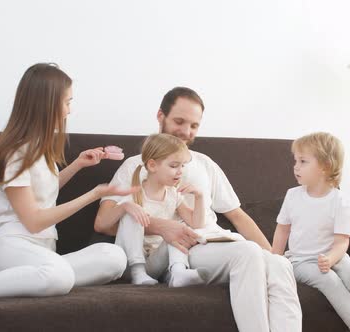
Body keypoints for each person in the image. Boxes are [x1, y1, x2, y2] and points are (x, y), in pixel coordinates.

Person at [0, 63, 135, 332]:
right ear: (47, 104)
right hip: (11, 247)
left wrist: (78, 165)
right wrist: (94, 194)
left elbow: (42, 193)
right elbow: (33, 220)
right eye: (67, 102)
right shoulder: (16, 153)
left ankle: (25, 280)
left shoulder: (40, 149)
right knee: (59, 275)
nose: (70, 109)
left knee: (114, 257)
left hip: (43, 252)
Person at [95, 87, 302, 332]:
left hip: (213, 238)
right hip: (183, 249)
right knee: (247, 254)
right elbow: (103, 223)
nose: (186, 131)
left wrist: (272, 252)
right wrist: (161, 226)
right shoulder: (135, 166)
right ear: (160, 116)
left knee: (279, 265)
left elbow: (236, 215)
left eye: (194, 125)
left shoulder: (205, 163)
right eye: (179, 121)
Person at [271, 132, 350, 332]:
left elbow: (341, 242)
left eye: (303, 161)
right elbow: (282, 230)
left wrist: (331, 258)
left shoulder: (339, 201)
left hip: (335, 256)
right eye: (295, 160)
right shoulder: (292, 196)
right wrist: (275, 261)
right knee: (328, 280)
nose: (295, 166)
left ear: (325, 166)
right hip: (300, 261)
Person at [111, 133, 207, 287]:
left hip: (154, 265)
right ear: (152, 165)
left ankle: (178, 273)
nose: (180, 171)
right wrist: (124, 206)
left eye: (182, 166)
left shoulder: (173, 195)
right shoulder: (134, 192)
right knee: (132, 212)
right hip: (130, 265)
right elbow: (106, 221)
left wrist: (200, 197)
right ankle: (138, 272)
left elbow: (197, 224)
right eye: (174, 166)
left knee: (175, 233)